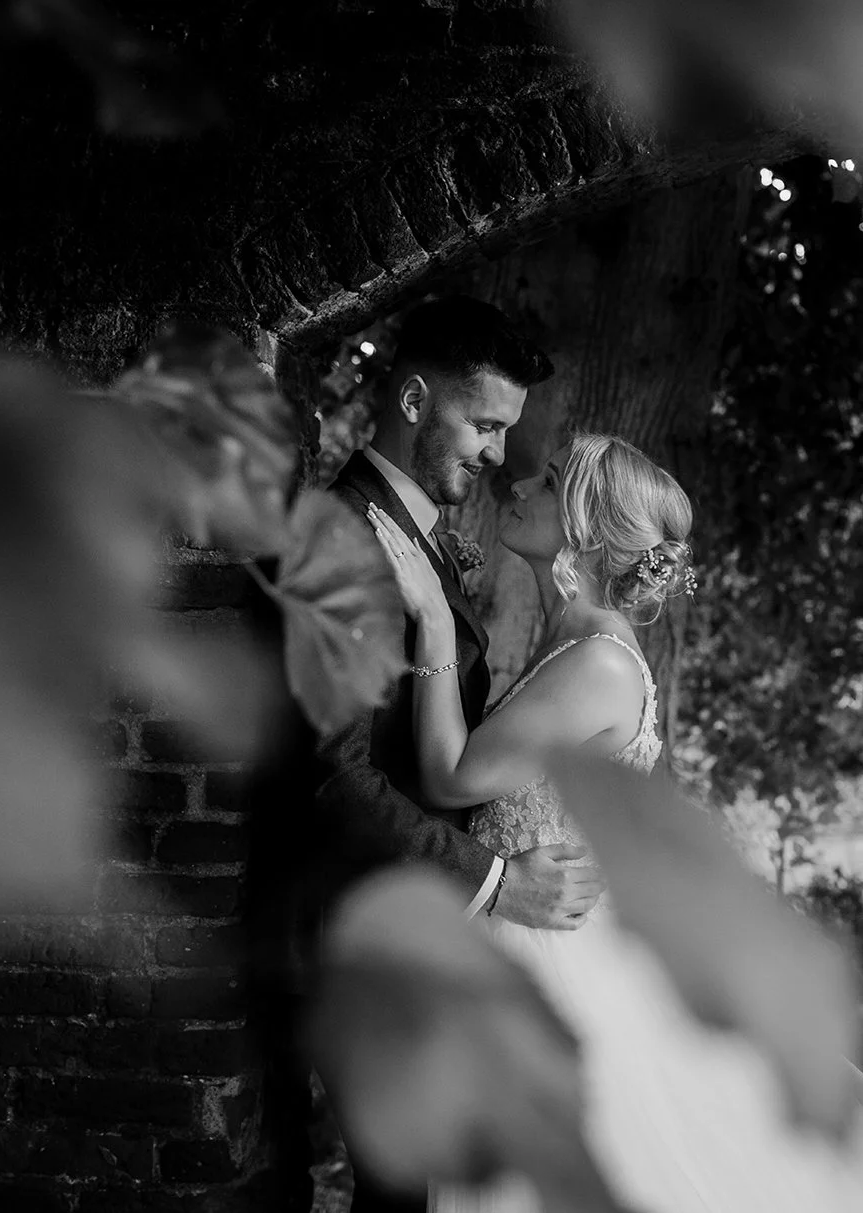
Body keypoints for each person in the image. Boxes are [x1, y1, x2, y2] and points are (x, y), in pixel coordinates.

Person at [365, 433, 863, 1213]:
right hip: (527, 927)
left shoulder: (599, 662)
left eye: (550, 480)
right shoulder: (571, 640)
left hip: (554, 951)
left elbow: (451, 774)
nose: (518, 484)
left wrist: (434, 622)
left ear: (587, 529)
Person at [244, 296, 608, 1213]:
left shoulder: (411, 537)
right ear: (413, 401)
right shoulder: (342, 540)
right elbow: (334, 776)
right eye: (484, 424)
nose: (497, 453)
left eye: (506, 429)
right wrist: (495, 882)